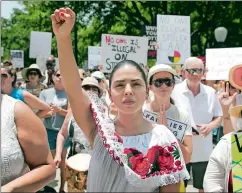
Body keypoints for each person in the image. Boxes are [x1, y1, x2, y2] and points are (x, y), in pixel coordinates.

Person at [51, 7, 189, 192]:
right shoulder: (99, 130)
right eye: (120, 85)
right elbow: (74, 89)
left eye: (136, 84)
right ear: (109, 92)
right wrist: (63, 38)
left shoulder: (164, 139)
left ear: (147, 91)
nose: (128, 91)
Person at [171, 57, 223, 193]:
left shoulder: (210, 92)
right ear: (183, 72)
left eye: (198, 70)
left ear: (204, 72)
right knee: (179, 187)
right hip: (180, 149)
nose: (195, 74)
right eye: (191, 70)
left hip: (204, 149)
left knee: (203, 186)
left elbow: (219, 116)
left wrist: (210, 126)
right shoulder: (174, 91)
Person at [54, 77, 103, 192]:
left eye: (94, 88)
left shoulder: (104, 112)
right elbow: (62, 134)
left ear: (98, 93)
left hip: (98, 165)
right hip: (75, 163)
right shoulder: (72, 111)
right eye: (86, 88)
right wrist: (57, 154)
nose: (90, 91)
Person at [1, 94, 56, 192]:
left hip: (49, 131)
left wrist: (8, 189)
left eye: (6, 76)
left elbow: (46, 109)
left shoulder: (17, 105)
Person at [144, 64, 193, 164]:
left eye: (168, 82)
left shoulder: (182, 115)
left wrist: (167, 132)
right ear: (150, 87)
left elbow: (187, 158)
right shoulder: (141, 113)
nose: (164, 86)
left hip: (173, 174)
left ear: (173, 85)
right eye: (158, 82)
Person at [39, 69, 69, 192]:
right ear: (52, 78)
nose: (60, 77)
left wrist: (59, 110)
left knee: (62, 161)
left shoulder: (69, 93)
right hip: (48, 131)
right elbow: (39, 112)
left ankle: (62, 188)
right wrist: (48, 113)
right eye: (57, 75)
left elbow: (71, 113)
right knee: (49, 162)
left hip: (63, 131)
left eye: (64, 75)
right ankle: (45, 187)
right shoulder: (45, 93)